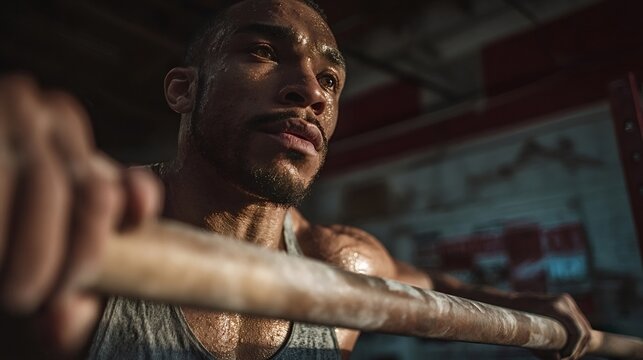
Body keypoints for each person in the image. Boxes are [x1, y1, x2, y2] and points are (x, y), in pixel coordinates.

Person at [0, 0, 592, 359]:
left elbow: (429, 282)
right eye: (262, 50)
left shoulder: (342, 265)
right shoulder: (94, 228)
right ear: (183, 89)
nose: (310, 91)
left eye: (331, 81)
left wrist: (523, 304)